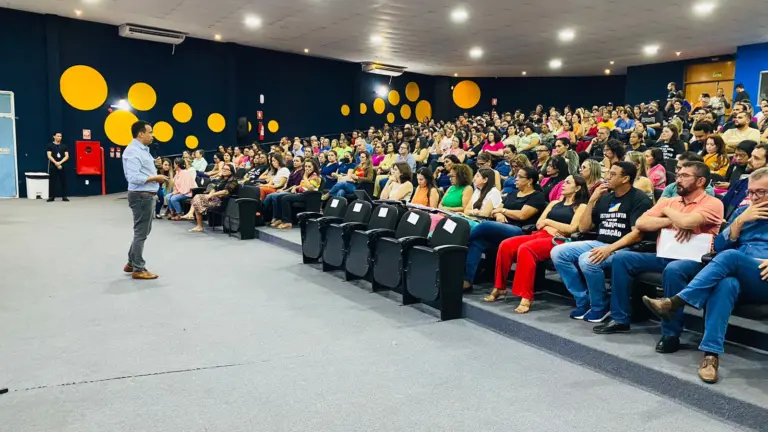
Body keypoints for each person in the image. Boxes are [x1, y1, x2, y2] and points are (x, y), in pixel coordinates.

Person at [642, 167, 768, 383]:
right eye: (751, 192)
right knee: (725, 284)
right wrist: (739, 222)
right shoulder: (743, 212)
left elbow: (725, 254)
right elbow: (718, 246)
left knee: (731, 258)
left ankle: (676, 301)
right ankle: (711, 356)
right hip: (740, 275)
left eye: (761, 192)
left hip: (763, 277)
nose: (754, 197)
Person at [593, 162, 723, 334]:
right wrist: (672, 218)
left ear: (700, 181)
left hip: (695, 260)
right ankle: (619, 318)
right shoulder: (671, 202)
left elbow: (688, 222)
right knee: (621, 259)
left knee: (673, 269)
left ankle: (670, 334)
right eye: (678, 175)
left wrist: (670, 213)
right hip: (665, 254)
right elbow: (641, 223)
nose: (678, 179)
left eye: (685, 176)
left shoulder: (713, 203)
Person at [551, 162, 652, 321]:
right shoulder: (605, 198)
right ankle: (583, 300)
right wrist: (592, 201)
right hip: (600, 242)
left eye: (612, 174)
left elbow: (637, 234)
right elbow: (584, 228)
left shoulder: (640, 198)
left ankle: (600, 305)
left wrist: (610, 249)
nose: (607, 177)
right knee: (558, 252)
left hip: (625, 247)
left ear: (625, 178)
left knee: (588, 260)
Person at [485, 174, 589, 313]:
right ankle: (499, 287)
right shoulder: (553, 203)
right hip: (541, 234)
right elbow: (539, 223)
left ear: (577, 188)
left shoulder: (581, 206)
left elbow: (572, 229)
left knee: (526, 249)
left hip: (558, 241)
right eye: (564, 181)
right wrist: (549, 225)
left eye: (568, 182)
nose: (563, 184)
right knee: (506, 244)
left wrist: (548, 222)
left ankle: (526, 296)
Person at [463, 166, 547, 290]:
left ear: (530, 181)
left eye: (520, 177)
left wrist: (503, 211)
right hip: (503, 227)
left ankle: (462, 240)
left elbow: (522, 215)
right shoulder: (513, 194)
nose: (515, 179)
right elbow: (495, 210)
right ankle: (467, 281)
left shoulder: (537, 196)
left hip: (520, 231)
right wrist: (499, 213)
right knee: (477, 243)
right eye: (516, 176)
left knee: (484, 225)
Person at [122, 121, 167, 280]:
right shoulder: (133, 151)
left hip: (145, 195)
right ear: (141, 134)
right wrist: (156, 177)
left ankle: (130, 262)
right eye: (150, 132)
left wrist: (154, 166)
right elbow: (133, 177)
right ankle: (138, 268)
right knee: (141, 232)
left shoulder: (142, 150)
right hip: (142, 196)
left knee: (141, 231)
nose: (152, 135)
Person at [271, 158, 322, 229]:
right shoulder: (308, 176)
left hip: (309, 196)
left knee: (285, 198)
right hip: (300, 194)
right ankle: (280, 218)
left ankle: (287, 222)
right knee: (279, 197)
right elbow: (302, 184)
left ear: (314, 167)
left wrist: (305, 176)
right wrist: (295, 187)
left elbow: (310, 188)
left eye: (309, 166)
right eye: (306, 166)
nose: (307, 168)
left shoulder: (316, 177)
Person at [721, 143, 768, 220]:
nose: (749, 160)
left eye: (756, 158)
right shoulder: (740, 183)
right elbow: (722, 208)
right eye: (751, 156)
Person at [189, 164, 238, 233]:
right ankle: (194, 219)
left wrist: (211, 195)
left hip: (222, 202)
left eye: (226, 169)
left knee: (198, 200)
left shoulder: (233, 181)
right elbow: (214, 188)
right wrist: (210, 195)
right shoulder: (221, 179)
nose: (224, 170)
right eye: (223, 168)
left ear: (231, 171)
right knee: (197, 197)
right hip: (215, 199)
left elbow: (225, 192)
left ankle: (197, 222)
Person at [46, 132, 69, 202]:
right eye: (58, 136)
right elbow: (49, 155)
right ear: (54, 137)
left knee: (63, 181)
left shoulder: (64, 146)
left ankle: (64, 196)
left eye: (60, 136)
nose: (59, 137)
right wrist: (56, 163)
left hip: (62, 165)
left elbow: (67, 156)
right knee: (53, 181)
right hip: (53, 166)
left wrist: (60, 163)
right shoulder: (50, 145)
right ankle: (52, 197)